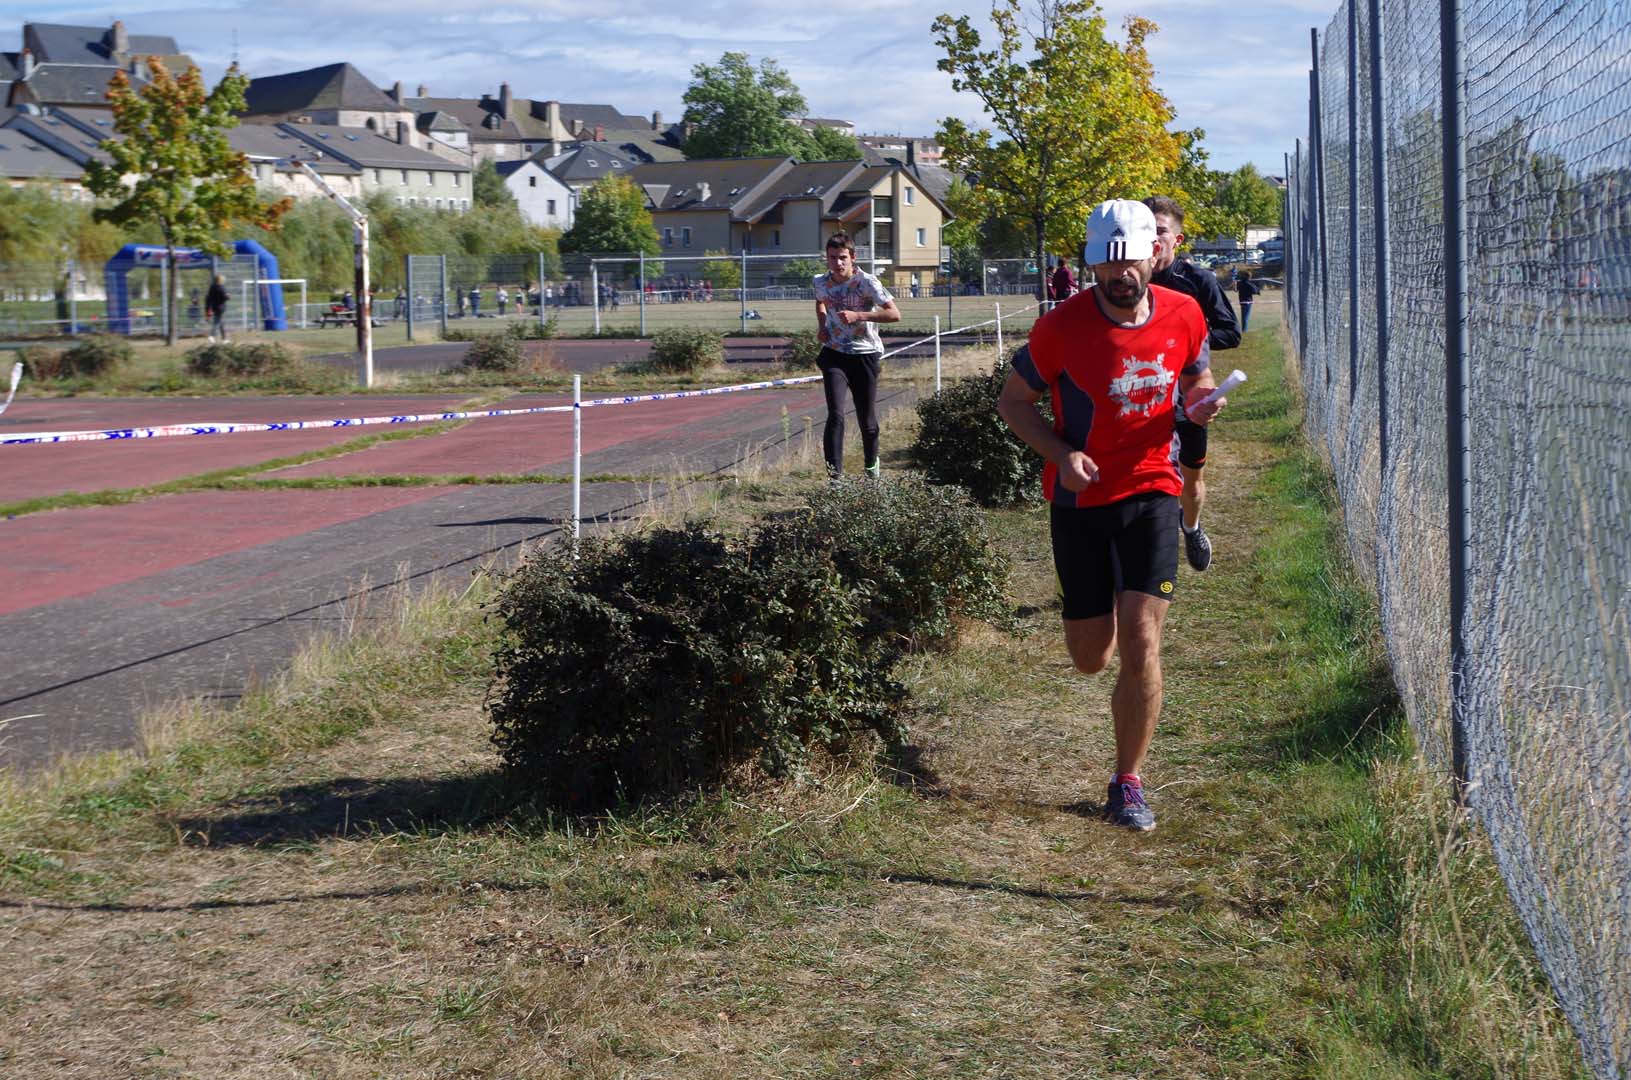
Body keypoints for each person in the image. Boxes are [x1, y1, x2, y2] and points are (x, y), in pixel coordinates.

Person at [997, 200, 1224, 832]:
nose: (1119, 274)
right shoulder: (1061, 328)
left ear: (1155, 254)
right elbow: (1013, 402)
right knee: (1091, 657)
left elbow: (1197, 377)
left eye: (1130, 261)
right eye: (1106, 263)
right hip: (1080, 501)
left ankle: (1128, 781)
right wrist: (1061, 454)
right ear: (1091, 262)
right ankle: (1104, 625)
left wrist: (1202, 402)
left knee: (1143, 638)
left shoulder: (1185, 312)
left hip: (1153, 488)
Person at [1143, 195, 1241, 573]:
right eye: (1146, 230)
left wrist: (1182, 343)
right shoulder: (1129, 280)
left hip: (1189, 397)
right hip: (1142, 397)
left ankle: (1191, 526)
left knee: (1191, 480)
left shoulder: (1197, 281)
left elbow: (1230, 332)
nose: (1153, 238)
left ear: (1177, 240)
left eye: (1160, 231)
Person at [812, 231, 901, 478]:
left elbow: (894, 314)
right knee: (835, 415)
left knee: (867, 420)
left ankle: (871, 468)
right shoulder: (820, 281)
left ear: (852, 257)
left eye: (842, 257)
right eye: (832, 258)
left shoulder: (867, 282)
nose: (837, 263)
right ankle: (835, 480)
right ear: (827, 258)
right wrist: (822, 326)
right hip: (834, 353)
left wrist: (859, 315)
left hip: (865, 354)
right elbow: (820, 301)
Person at [204, 274, 230, 343]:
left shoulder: (212, 287)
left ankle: (224, 339)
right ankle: (211, 336)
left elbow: (209, 298)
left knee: (221, 323)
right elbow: (224, 297)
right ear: (220, 280)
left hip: (214, 307)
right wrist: (228, 296)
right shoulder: (221, 288)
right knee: (217, 322)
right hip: (220, 307)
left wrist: (208, 309)